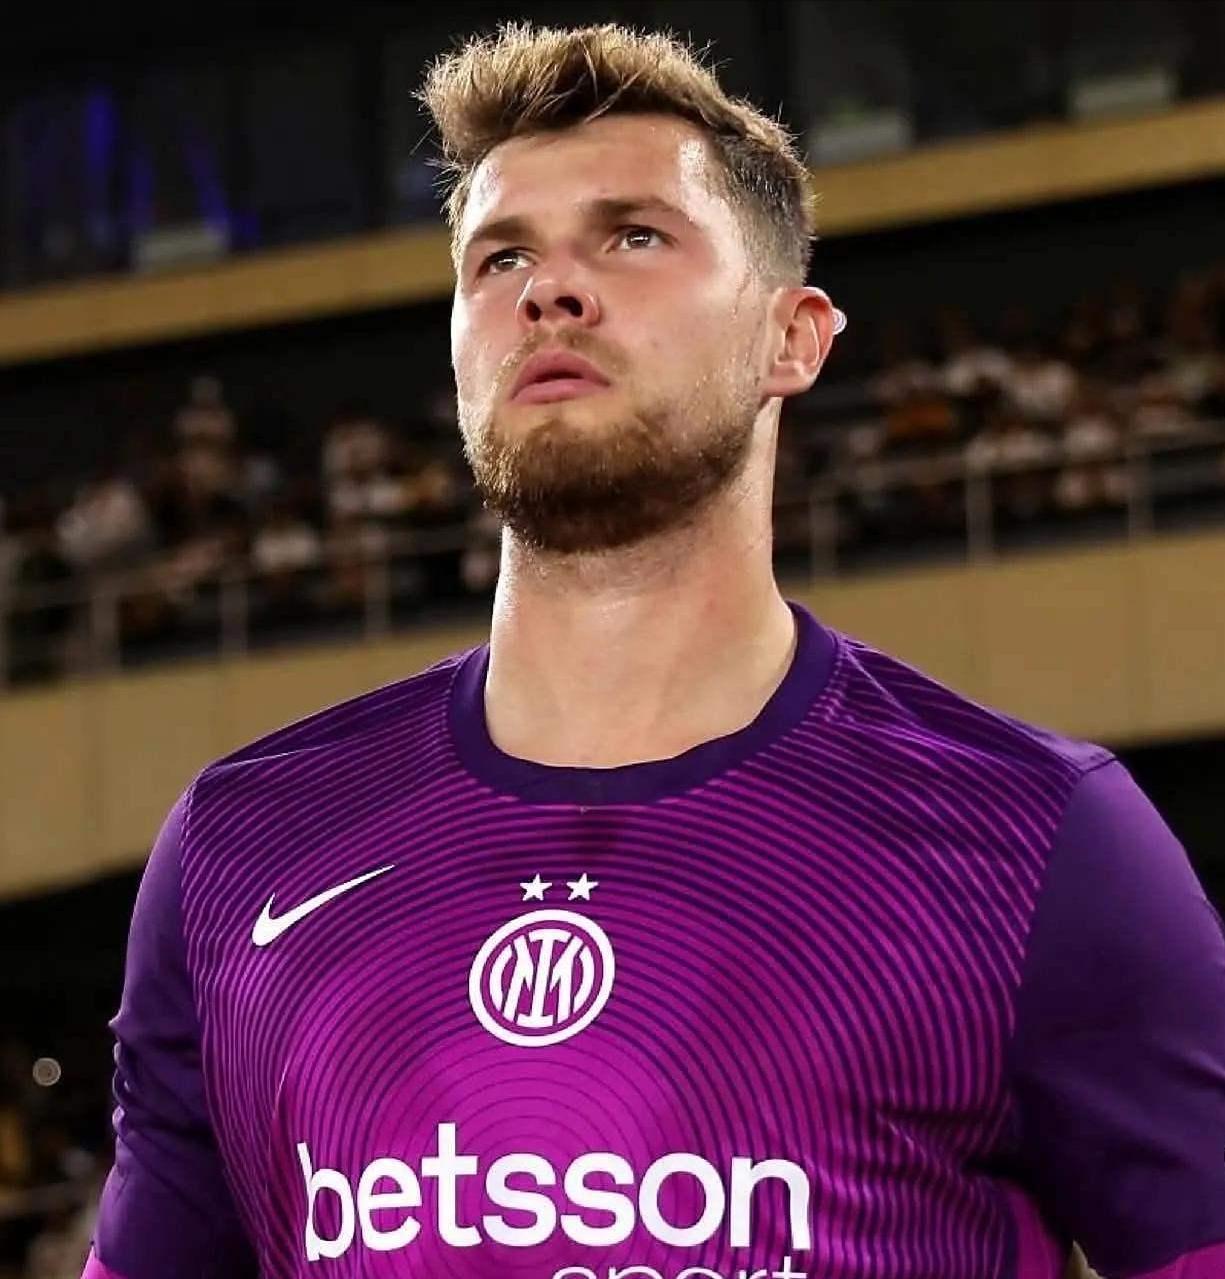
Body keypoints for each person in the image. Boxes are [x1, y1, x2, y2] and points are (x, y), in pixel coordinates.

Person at [81, 23, 1225, 1279]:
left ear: (794, 338)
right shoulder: (242, 846)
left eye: (632, 237)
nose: (549, 291)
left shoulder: (1038, 838)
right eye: (501, 256)